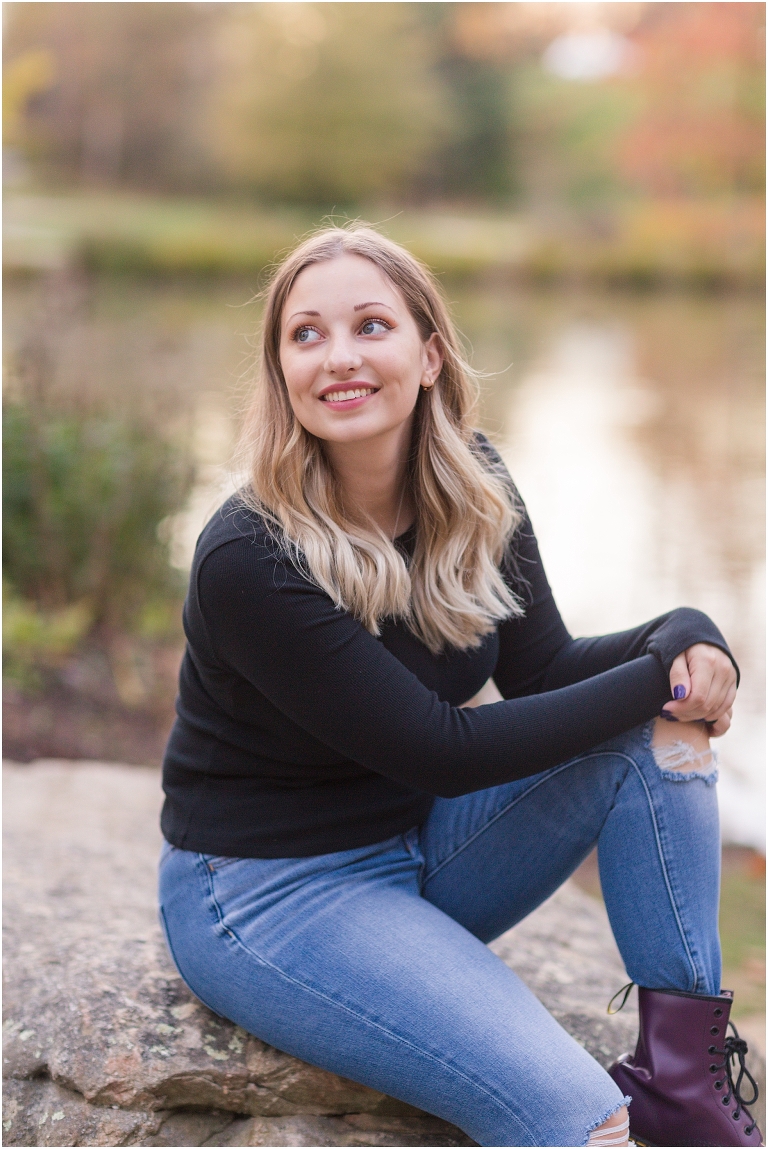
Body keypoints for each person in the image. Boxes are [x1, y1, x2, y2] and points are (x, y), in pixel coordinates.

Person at [158, 225, 761, 1147]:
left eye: (371, 324)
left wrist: (684, 633)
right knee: (584, 1122)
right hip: (273, 896)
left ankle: (685, 1084)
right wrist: (657, 676)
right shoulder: (250, 553)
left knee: (663, 734)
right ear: (280, 371)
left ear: (430, 352)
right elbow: (442, 750)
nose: (340, 357)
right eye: (306, 335)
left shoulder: (473, 484)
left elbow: (544, 671)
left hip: (418, 851)